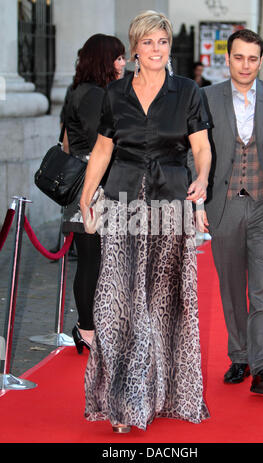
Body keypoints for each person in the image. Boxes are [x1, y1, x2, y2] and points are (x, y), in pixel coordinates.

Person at [80, 10, 212, 433]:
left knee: (160, 302)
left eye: (163, 42)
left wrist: (204, 176)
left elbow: (202, 146)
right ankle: (123, 398)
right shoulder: (115, 93)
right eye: (149, 42)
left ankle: (154, 396)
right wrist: (86, 195)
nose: (156, 50)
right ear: (135, 47)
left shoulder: (188, 91)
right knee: (116, 301)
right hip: (122, 202)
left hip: (168, 204)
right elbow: (103, 150)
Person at [202, 29, 263, 394]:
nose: (245, 65)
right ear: (227, 59)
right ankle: (240, 356)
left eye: (253, 58)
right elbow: (195, 152)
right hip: (223, 205)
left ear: (261, 61)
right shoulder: (206, 97)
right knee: (230, 287)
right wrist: (197, 201)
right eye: (239, 57)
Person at [62, 34, 126, 352]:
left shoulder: (81, 91)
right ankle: (87, 329)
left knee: (93, 259)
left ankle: (90, 326)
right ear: (104, 60)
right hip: (92, 186)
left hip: (91, 183)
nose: (123, 63)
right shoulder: (93, 95)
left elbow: (66, 142)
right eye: (118, 57)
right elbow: (102, 142)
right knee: (91, 260)